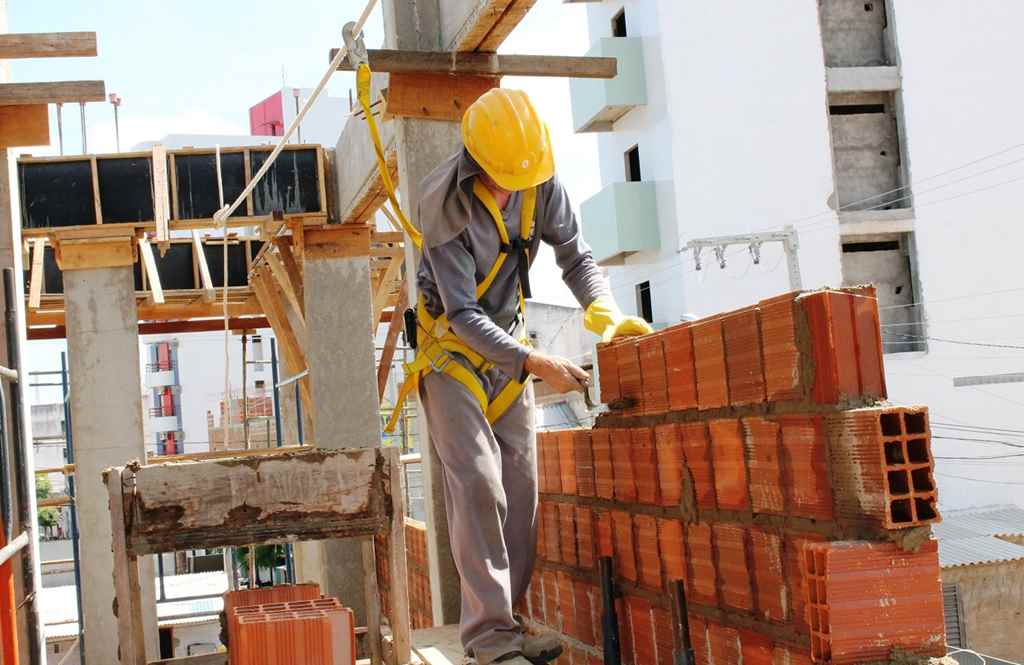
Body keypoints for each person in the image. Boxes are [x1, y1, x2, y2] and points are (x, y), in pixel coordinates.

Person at [411, 88, 651, 665]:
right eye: (502, 179)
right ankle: (489, 640)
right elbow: (463, 314)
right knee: (477, 483)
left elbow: (575, 253)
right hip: (453, 355)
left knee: (520, 492)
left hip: (512, 346)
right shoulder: (444, 202)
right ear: (478, 163)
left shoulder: (538, 179)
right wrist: (535, 363)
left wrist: (604, 313)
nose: (512, 189)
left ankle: (509, 625)